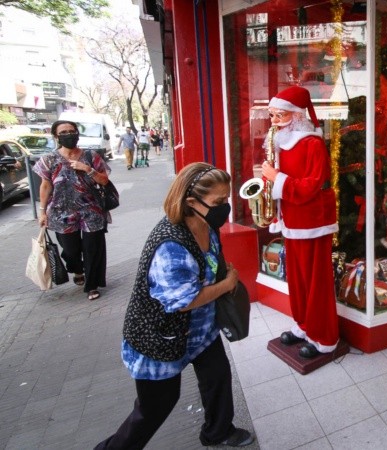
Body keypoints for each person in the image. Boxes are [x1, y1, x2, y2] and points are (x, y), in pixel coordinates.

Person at [94, 163, 253, 449]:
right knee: (154, 408)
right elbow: (183, 302)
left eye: (227, 199)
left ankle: (218, 432)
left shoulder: (206, 225)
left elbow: (208, 267)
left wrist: (219, 274)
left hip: (201, 331)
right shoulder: (171, 245)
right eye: (219, 202)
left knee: (217, 376)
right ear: (191, 202)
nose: (225, 207)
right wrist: (227, 285)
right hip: (161, 339)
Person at [260, 86, 339, 359]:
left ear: (295, 115)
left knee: (316, 282)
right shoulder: (280, 142)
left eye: (278, 115)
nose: (273, 122)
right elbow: (280, 181)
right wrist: (269, 182)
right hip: (291, 220)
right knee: (298, 280)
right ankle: (304, 325)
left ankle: (324, 337)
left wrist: (276, 178)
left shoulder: (312, 144)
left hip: (313, 220)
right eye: (271, 116)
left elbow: (312, 186)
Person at [34, 120, 111, 301]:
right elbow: (45, 187)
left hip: (91, 210)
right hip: (62, 213)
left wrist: (88, 169)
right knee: (71, 251)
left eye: (72, 131)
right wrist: (42, 211)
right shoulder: (49, 160)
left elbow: (105, 181)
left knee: (93, 249)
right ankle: (77, 269)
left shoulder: (91, 156)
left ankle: (92, 285)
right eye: (64, 132)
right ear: (56, 136)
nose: (69, 135)